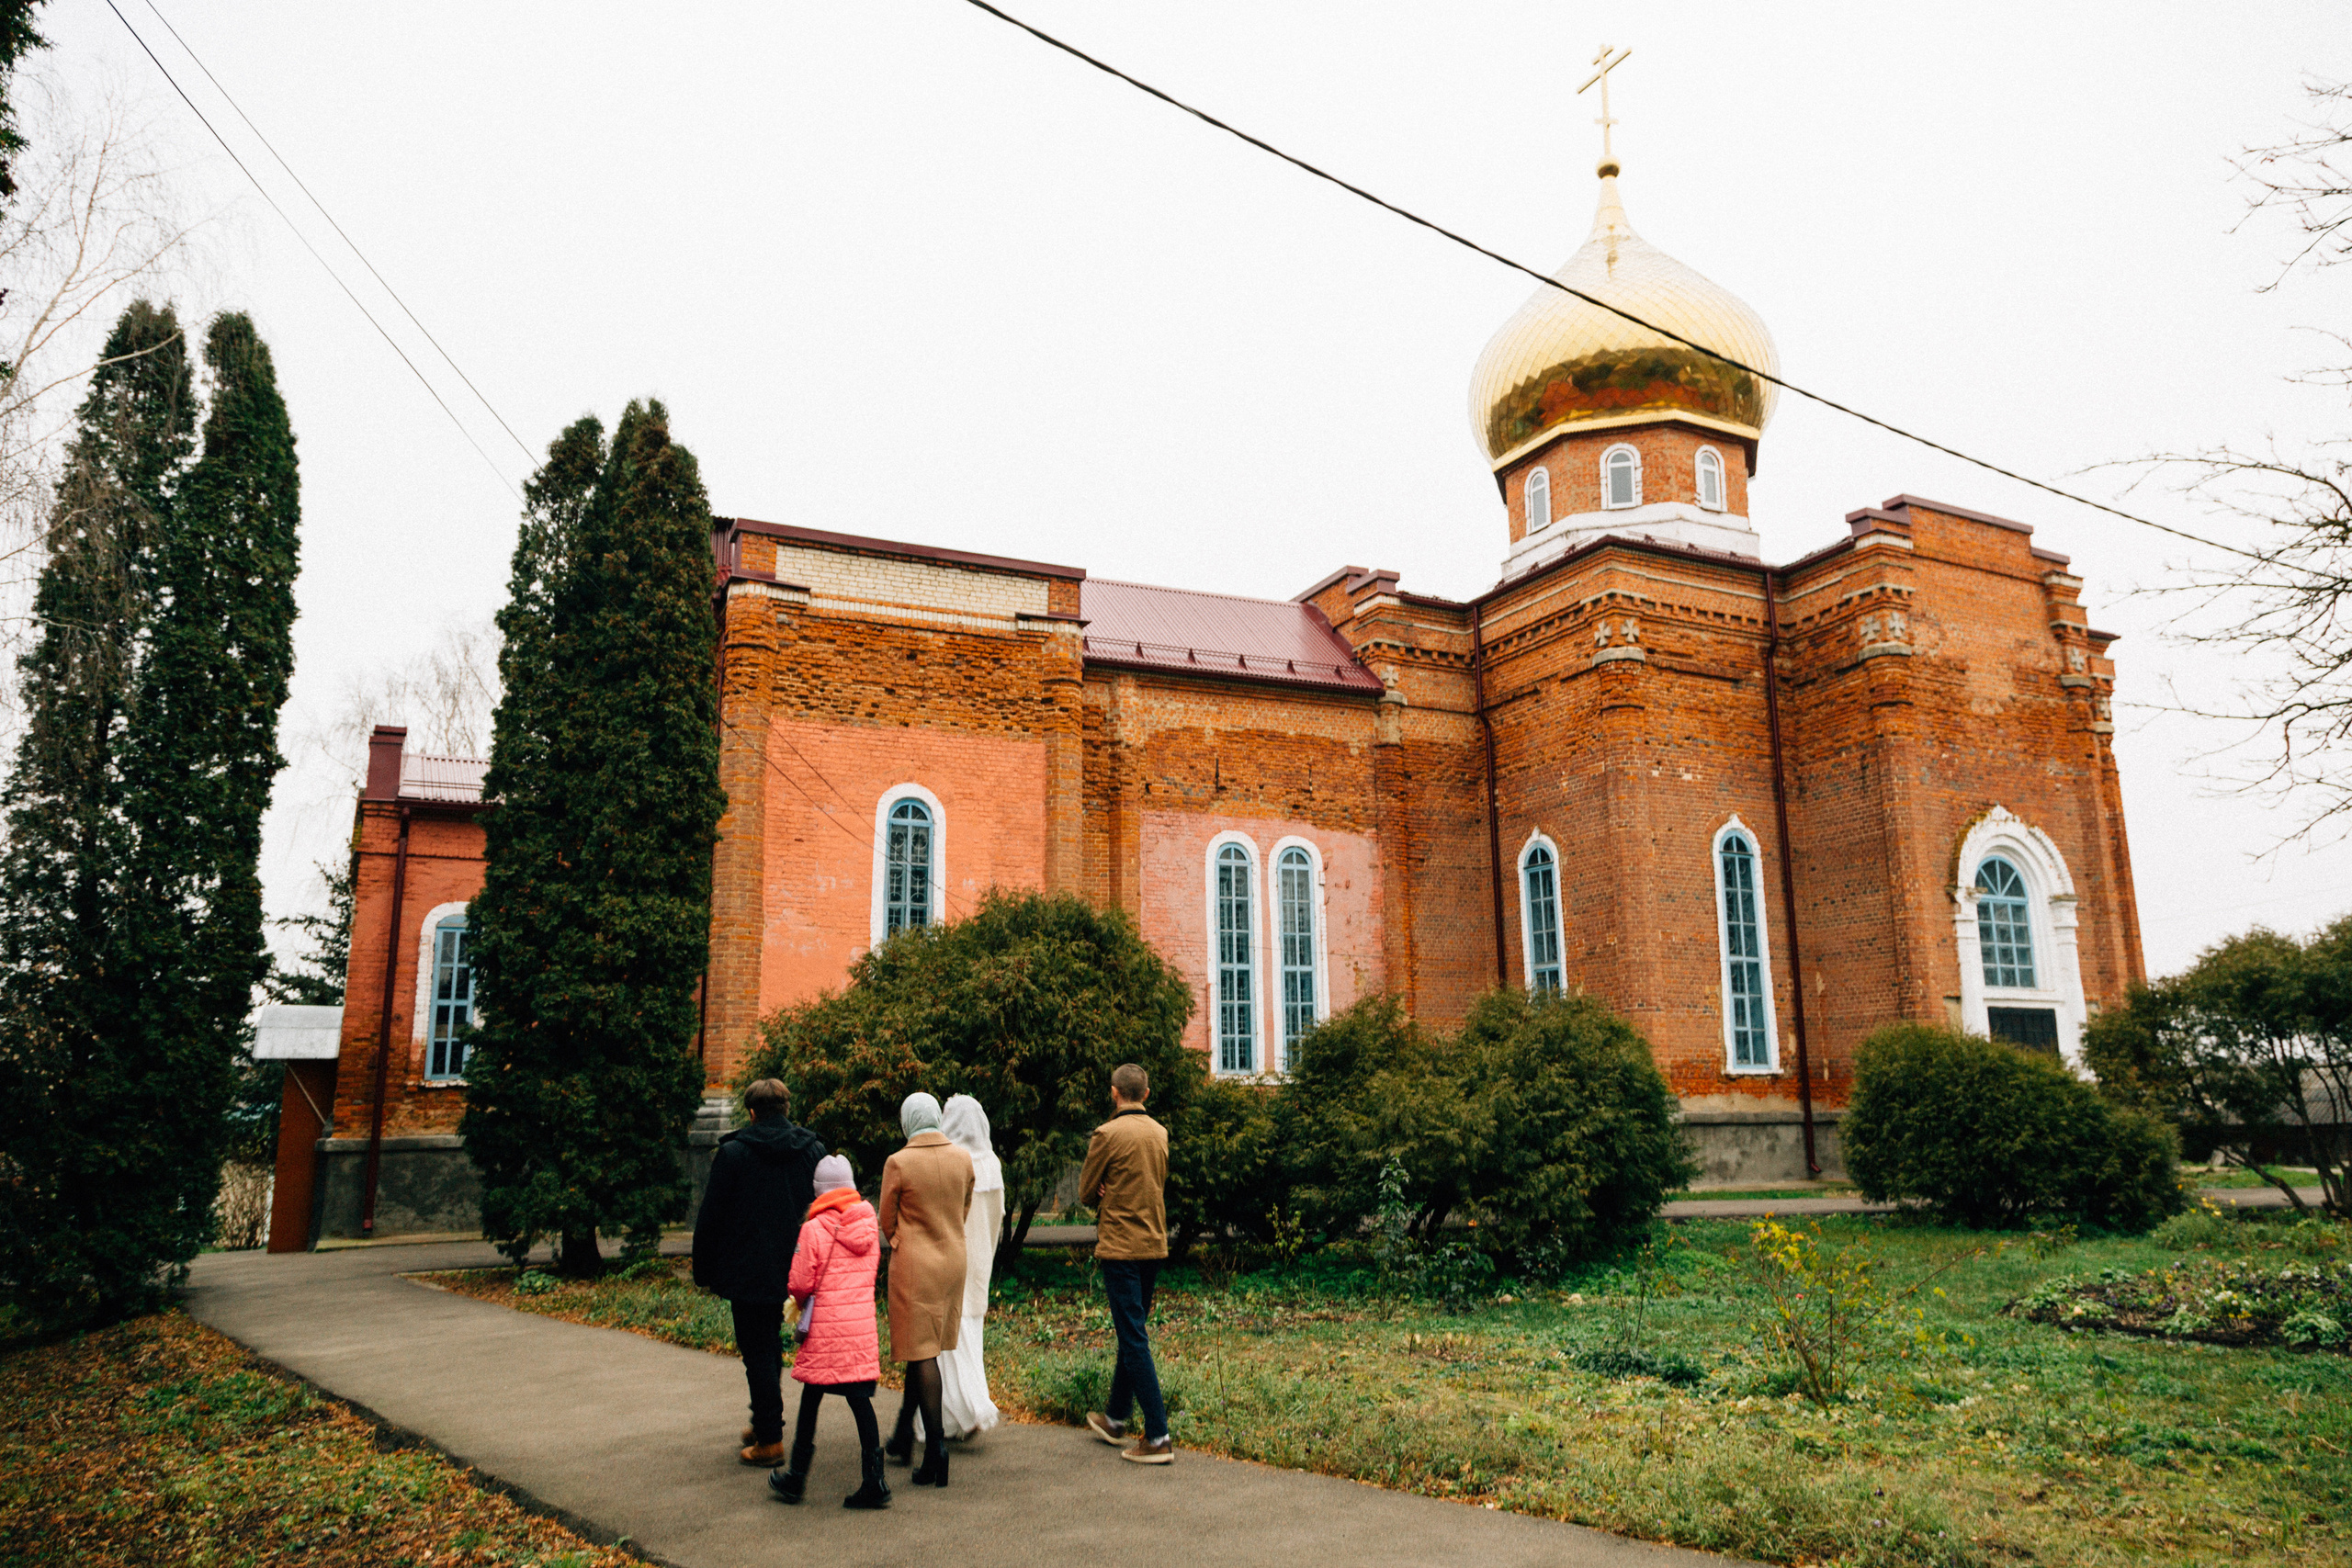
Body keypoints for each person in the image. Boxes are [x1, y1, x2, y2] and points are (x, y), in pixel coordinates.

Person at [691, 1077, 827, 1467]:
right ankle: (764, 1420)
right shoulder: (813, 1150)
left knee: (759, 1351)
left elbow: (711, 1215)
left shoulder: (734, 1154)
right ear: (786, 1110)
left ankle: (769, 1439)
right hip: (801, 1264)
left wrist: (703, 1268)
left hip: (749, 1270)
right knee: (768, 1350)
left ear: (751, 1113)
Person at [768, 1156, 891, 1510]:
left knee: (811, 1398)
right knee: (859, 1400)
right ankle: (875, 1480)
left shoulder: (813, 1229)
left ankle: (796, 1477)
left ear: (819, 1191)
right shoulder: (869, 1225)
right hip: (859, 1327)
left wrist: (798, 1298)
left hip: (825, 1329)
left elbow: (801, 1283)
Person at [878, 1091, 974, 1487]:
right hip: (953, 1258)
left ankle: (935, 1449)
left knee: (921, 1352)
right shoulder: (962, 1158)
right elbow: (964, 1207)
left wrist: (902, 1240)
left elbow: (886, 1218)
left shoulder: (899, 1162)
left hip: (915, 1262)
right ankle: (908, 1437)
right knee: (929, 1347)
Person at [1080, 1062, 1173, 1464]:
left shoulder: (1106, 1134)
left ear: (1114, 1093)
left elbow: (1085, 1191)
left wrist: (1103, 1189)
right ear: (1146, 1094)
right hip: (1154, 1243)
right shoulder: (1160, 1133)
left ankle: (1157, 1436)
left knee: (1133, 1337)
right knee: (1132, 1331)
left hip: (1120, 1247)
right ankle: (1116, 1418)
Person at [933, 1094, 1003, 1440]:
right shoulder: (992, 1162)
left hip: (952, 1258)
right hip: (981, 1262)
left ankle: (971, 1409)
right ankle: (957, 1416)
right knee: (969, 1336)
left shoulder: (951, 1161)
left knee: (949, 1343)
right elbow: (999, 1217)